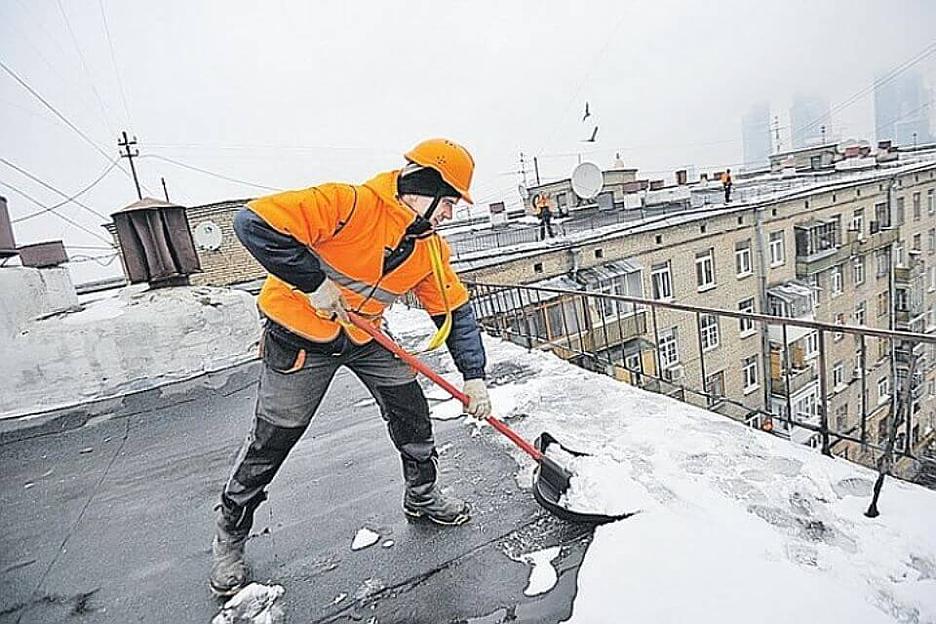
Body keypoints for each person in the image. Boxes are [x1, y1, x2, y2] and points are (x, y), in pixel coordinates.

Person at [209, 138, 493, 597]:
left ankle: (421, 496)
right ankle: (230, 533)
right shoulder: (348, 204)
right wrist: (313, 283)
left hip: (364, 336)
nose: (450, 214)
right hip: (299, 334)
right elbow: (253, 223)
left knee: (410, 408)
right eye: (449, 202)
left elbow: (454, 312)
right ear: (424, 188)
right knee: (275, 435)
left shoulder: (429, 250)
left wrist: (474, 377)